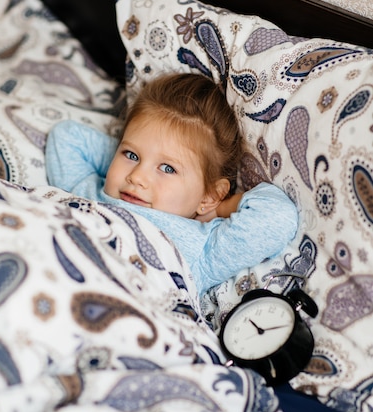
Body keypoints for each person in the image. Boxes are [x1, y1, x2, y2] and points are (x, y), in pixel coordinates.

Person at [45, 73, 298, 296]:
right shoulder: (87, 190)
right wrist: (118, 160)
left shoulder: (201, 249)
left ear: (209, 196)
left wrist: (219, 206)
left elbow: (278, 217)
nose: (137, 177)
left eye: (168, 168)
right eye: (131, 155)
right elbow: (67, 136)